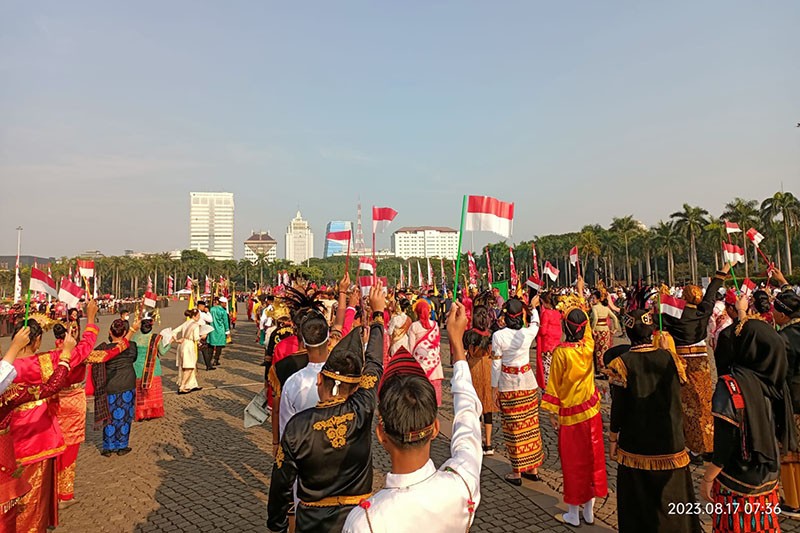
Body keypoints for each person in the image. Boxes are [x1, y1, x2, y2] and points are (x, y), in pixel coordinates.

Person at [343, 301, 482, 533]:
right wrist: (457, 345)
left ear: (381, 433)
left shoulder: (365, 522)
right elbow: (468, 419)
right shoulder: (463, 483)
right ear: (436, 427)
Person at [268, 282, 385, 532]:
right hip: (357, 519)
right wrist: (377, 316)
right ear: (355, 387)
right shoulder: (362, 408)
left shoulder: (296, 428)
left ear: (320, 379)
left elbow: (280, 482)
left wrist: (277, 524)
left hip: (312, 521)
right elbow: (375, 363)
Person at [701, 308, 797, 533]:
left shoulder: (731, 386)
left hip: (738, 476)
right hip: (768, 474)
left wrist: (707, 478)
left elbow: (726, 441)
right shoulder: (776, 382)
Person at [605, 310, 701, 532]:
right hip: (671, 440)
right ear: (651, 332)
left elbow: (618, 408)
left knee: (638, 500)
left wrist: (612, 439)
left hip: (637, 442)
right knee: (674, 496)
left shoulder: (621, 363)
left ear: (628, 333)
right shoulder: (670, 358)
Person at [10, 300, 101, 532]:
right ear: (38, 340)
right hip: (37, 440)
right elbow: (82, 352)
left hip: (8, 443)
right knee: (33, 502)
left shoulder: (4, 368)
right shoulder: (43, 362)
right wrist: (91, 321)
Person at [542, 277, 608, 526]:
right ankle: (589, 510)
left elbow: (554, 387)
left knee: (572, 462)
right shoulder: (588, 347)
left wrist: (551, 413)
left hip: (569, 414)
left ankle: (573, 511)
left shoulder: (561, 353)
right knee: (591, 459)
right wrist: (580, 294)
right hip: (591, 412)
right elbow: (587, 327)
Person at [0, 327, 76, 531]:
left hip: (14, 447)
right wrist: (66, 353)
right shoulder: (9, 393)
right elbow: (51, 386)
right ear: (37, 341)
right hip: (35, 441)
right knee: (30, 506)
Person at [661, 264, 729, 464]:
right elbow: (712, 291)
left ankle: (696, 448)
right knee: (705, 401)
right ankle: (709, 444)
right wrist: (723, 270)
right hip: (702, 360)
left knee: (688, 405)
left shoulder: (676, 316)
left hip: (682, 361)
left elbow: (659, 321)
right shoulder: (704, 310)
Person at [491, 296, 542, 485]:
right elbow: (536, 322)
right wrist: (533, 307)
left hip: (509, 384)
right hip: (528, 383)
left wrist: (494, 388)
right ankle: (533, 468)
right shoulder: (527, 333)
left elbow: (496, 364)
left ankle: (517, 472)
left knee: (513, 429)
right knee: (530, 426)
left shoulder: (498, 336)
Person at [92, 319, 140, 456]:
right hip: (127, 383)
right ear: (124, 332)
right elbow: (133, 358)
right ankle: (122, 445)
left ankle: (108, 446)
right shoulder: (132, 346)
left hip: (110, 384)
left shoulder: (104, 349)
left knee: (110, 416)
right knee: (125, 416)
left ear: (109, 332)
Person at [774, 288, 800, 516]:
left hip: (794, 399)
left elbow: (780, 372)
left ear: (782, 314)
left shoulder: (785, 338)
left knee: (791, 450)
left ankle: (793, 501)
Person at [463, 303, 498, 455]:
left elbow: (465, 352)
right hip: (488, 368)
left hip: (473, 368)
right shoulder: (491, 334)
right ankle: (488, 444)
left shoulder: (469, 335)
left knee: (475, 406)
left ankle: (477, 440)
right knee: (487, 407)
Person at [131, 312, 172, 421]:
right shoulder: (156, 338)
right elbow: (162, 352)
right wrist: (170, 343)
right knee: (151, 393)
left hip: (138, 368)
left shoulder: (135, 337)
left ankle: (141, 413)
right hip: (153, 369)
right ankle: (151, 412)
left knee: (140, 393)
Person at [406, 299, 443, 405]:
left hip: (419, 365)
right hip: (434, 363)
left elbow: (411, 347)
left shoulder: (414, 326)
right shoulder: (435, 325)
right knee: (434, 390)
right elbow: (437, 344)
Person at [589, 288, 619, 377]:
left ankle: (600, 369)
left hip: (598, 330)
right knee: (605, 350)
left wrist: (592, 329)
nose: (592, 300)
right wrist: (615, 328)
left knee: (598, 351)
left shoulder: (594, 308)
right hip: (606, 330)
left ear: (598, 299)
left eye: (594, 298)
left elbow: (595, 319)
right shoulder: (605, 308)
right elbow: (614, 318)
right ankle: (606, 368)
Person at [535, 291, 561, 388]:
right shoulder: (557, 313)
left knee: (546, 373)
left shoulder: (546, 314)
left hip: (546, 347)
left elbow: (543, 331)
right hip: (556, 345)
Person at [174, 308, 203, 394]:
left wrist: (177, 340)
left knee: (185, 366)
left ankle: (192, 384)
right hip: (189, 346)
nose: (199, 317)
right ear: (194, 316)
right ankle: (182, 386)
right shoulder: (195, 325)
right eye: (198, 316)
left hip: (182, 344)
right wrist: (203, 336)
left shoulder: (185, 323)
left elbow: (174, 331)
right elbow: (196, 338)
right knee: (189, 367)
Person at [208, 297, 230, 367]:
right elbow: (226, 322)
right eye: (225, 303)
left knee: (211, 345)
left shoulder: (212, 309)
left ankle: (209, 359)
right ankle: (216, 360)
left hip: (212, 329)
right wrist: (227, 331)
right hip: (220, 329)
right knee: (219, 346)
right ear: (222, 303)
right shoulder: (223, 311)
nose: (226, 305)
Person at [196, 300, 215, 371]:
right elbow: (210, 320)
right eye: (204, 306)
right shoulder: (202, 314)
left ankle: (197, 365)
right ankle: (208, 365)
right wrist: (207, 312)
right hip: (201, 334)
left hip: (195, 332)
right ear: (200, 306)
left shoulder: (193, 311)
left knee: (195, 351)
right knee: (204, 350)